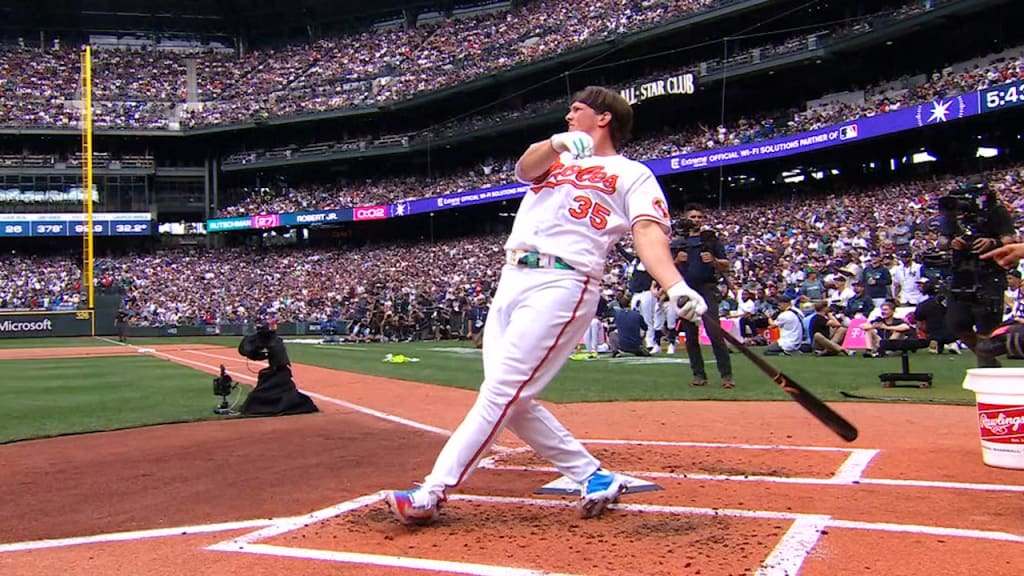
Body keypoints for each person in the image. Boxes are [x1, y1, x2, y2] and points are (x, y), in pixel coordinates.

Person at [384, 86, 708, 525]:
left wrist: (674, 284)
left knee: (501, 392)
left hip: (565, 279)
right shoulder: (558, 157)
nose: (568, 116)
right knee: (510, 396)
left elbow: (648, 231)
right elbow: (524, 168)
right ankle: (592, 476)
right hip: (513, 275)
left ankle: (433, 490)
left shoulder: (632, 173)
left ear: (604, 117)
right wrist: (556, 145)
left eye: (576, 110)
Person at [673, 204, 735, 388]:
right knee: (691, 336)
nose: (697, 220)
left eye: (700, 217)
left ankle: (726, 376)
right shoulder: (678, 242)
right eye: (693, 217)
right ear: (686, 219)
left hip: (707, 287)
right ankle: (699, 376)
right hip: (686, 290)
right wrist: (677, 261)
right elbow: (667, 267)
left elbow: (726, 264)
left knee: (714, 332)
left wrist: (714, 261)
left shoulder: (710, 240)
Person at [912, 278, 959, 354]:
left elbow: (920, 325)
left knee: (935, 336)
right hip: (953, 334)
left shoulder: (922, 305)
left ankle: (935, 342)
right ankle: (952, 343)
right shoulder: (952, 303)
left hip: (933, 334)